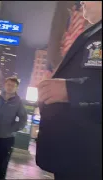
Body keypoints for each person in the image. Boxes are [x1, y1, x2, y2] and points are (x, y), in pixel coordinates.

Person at [36, 1, 102, 180]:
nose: (81, 3)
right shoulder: (92, 32)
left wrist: (69, 89)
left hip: (90, 159)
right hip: (76, 156)